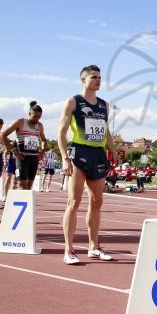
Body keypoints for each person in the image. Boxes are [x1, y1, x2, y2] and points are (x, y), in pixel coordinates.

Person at [58, 64, 119, 265]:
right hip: (79, 152)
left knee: (97, 202)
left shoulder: (104, 105)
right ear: (83, 80)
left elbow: (106, 131)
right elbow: (61, 132)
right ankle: (69, 249)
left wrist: (113, 150)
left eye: (100, 77)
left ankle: (93, 247)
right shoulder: (73, 102)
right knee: (73, 202)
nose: (98, 80)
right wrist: (65, 158)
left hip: (98, 154)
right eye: (94, 77)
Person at [1, 102, 48, 190]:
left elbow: (44, 140)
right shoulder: (21, 122)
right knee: (22, 186)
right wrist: (14, 150)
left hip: (34, 159)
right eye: (35, 116)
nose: (37, 119)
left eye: (39, 117)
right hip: (22, 159)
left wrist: (42, 152)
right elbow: (2, 136)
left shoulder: (40, 125)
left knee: (29, 187)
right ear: (29, 114)